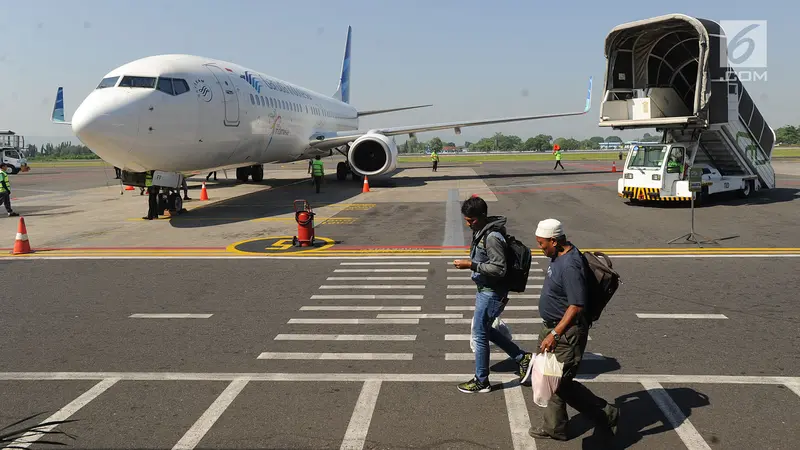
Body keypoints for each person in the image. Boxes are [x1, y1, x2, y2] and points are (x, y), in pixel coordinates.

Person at [528, 218, 619, 441]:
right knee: (551, 379)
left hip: (565, 333)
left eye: (542, 244)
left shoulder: (570, 265)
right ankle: (555, 427)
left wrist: (555, 333)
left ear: (554, 240)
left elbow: (576, 306)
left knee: (560, 382)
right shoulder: (558, 255)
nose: (540, 248)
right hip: (552, 327)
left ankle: (605, 412)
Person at [453, 196, 532, 393]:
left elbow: (499, 268)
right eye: (467, 220)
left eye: (471, 220)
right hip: (486, 291)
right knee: (486, 330)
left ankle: (481, 381)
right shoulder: (482, 230)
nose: (468, 223)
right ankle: (523, 358)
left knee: (479, 334)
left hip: (492, 293)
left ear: (481, 216)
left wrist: (471, 265)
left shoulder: (492, 237)